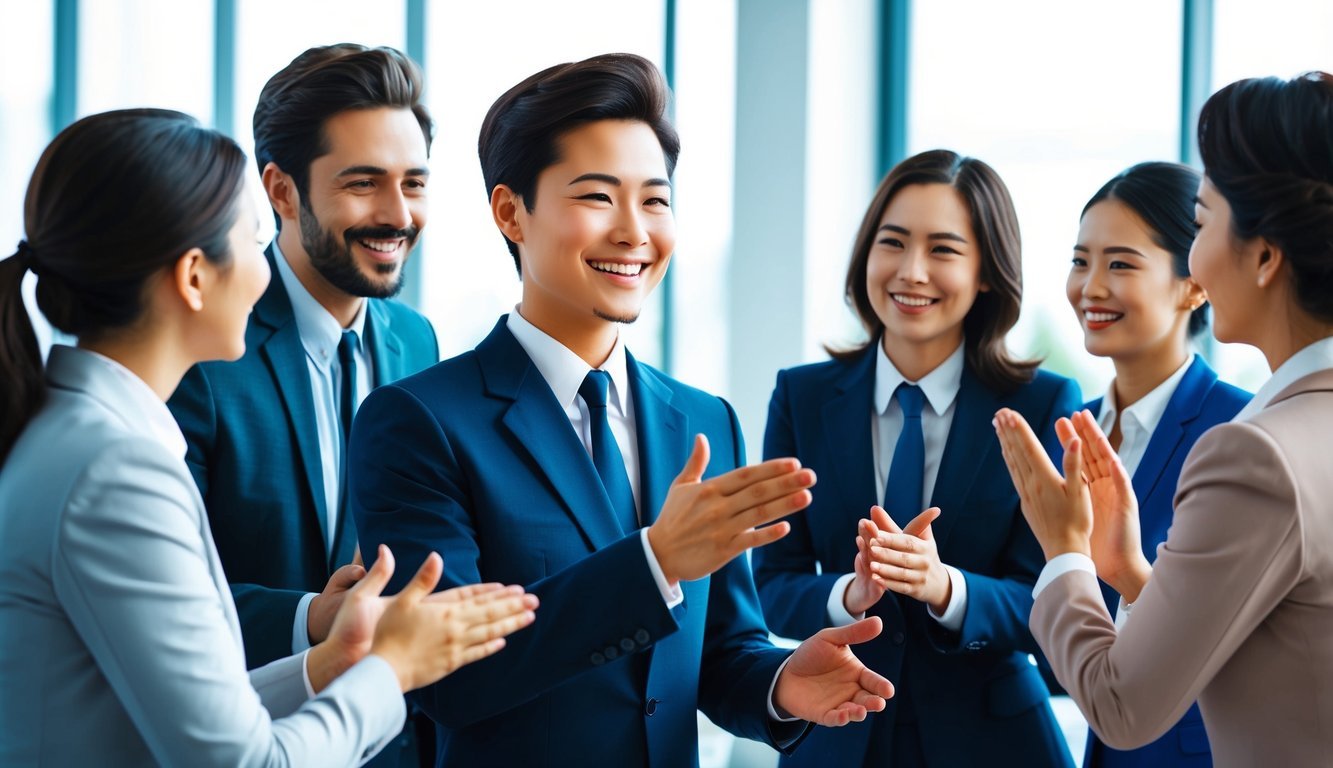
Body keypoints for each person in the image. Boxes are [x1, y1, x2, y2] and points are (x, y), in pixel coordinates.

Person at [350, 52, 895, 766]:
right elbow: (444, 677)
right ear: (512, 212)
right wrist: (655, 559)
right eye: (598, 197)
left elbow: (720, 650)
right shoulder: (417, 422)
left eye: (656, 199)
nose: (635, 231)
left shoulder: (703, 421)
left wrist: (780, 683)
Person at [0, 108, 537, 766]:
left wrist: (325, 665)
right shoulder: (115, 471)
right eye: (252, 238)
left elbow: (190, 716)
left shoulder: (79, 435)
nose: (263, 272)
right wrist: (392, 669)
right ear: (194, 276)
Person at [994, 72, 1333, 767]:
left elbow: (1123, 706)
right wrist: (1126, 574)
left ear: (1265, 256)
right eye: (1080, 260)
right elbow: (1273, 653)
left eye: (1203, 222)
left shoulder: (1254, 454)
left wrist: (1063, 549)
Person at [752, 149, 1080, 767]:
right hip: (839, 735)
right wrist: (852, 593)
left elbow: (1055, 595)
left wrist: (945, 587)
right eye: (893, 242)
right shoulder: (802, 397)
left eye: (944, 250)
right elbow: (770, 584)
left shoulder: (1042, 403)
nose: (912, 271)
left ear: (986, 272)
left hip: (995, 743)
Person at [167, 44, 438, 668]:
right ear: (282, 192)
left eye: (414, 184)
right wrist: (309, 618)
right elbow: (157, 595)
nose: (398, 215)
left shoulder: (418, 341)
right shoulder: (201, 349)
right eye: (364, 183)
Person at [1065, 161, 1250, 767]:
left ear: (1193, 283)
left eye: (1120, 264)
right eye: (1080, 260)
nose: (1090, 286)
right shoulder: (1067, 431)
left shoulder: (1240, 430)